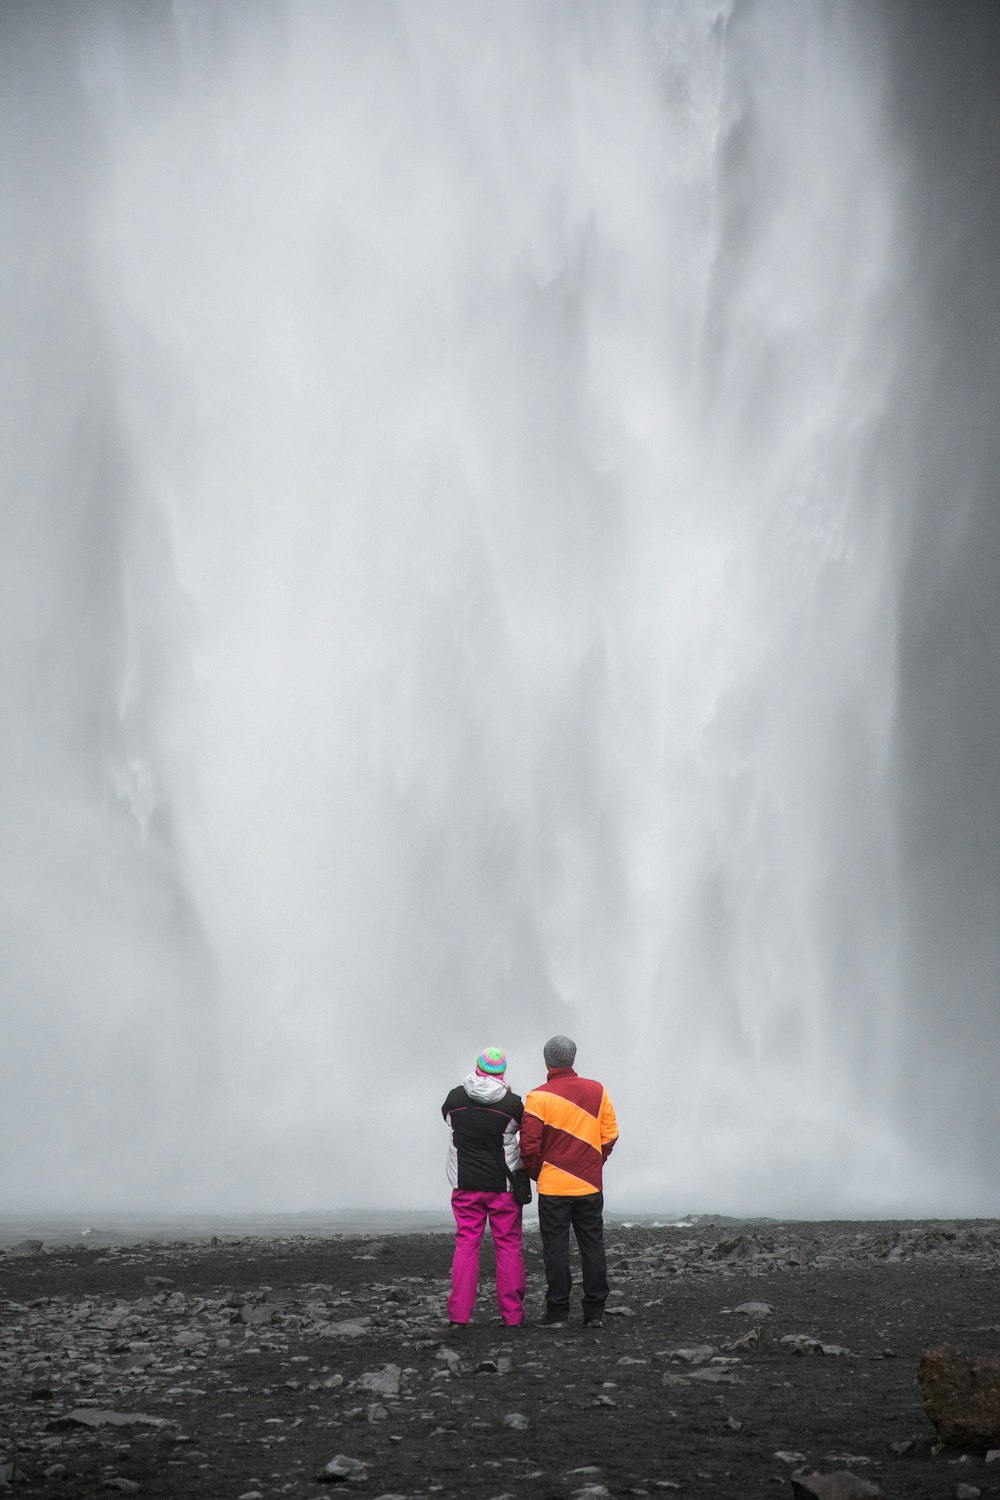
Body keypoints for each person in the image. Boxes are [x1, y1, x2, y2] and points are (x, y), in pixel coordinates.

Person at [519, 1035, 619, 1327]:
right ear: (572, 1059)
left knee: (556, 1250)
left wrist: (538, 1173)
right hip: (589, 1184)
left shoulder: (538, 1097)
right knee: (593, 1246)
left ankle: (558, 1313)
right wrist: (592, 1162)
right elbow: (610, 1135)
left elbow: (529, 1146)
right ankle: (594, 1313)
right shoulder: (597, 1091)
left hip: (553, 1188)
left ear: (547, 1061)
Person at [441, 1046, 526, 1327]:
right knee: (508, 1246)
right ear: (502, 1072)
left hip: (465, 1184)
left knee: (466, 1245)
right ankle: (512, 1316)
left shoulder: (455, 1098)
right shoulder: (512, 1104)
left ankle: (458, 1315)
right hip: (503, 1186)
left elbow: (449, 1120)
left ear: (477, 1068)